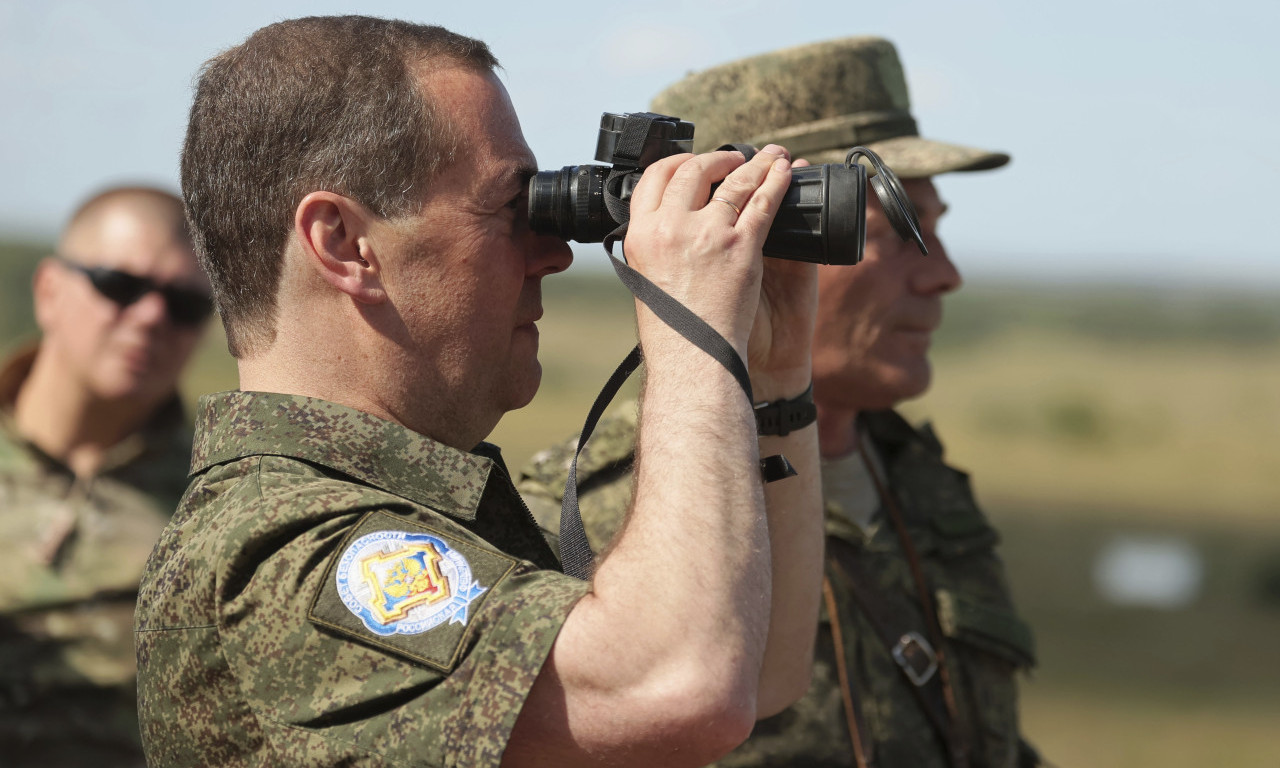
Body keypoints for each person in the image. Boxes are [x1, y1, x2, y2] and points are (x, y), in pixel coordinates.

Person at [134, 16, 826, 767]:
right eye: (509, 209)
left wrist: (773, 373)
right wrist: (692, 326)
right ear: (344, 243)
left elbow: (761, 673)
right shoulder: (282, 554)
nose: (554, 254)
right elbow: (678, 689)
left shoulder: (415, 514)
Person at [519, 37, 1043, 768]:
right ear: (765, 234)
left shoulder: (920, 483)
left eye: (936, 227)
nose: (943, 274)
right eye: (892, 231)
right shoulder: (587, 523)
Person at [0, 185, 212, 765]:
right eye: (119, 285)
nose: (151, 316)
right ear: (48, 291)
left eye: (185, 305)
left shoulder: (219, 499)